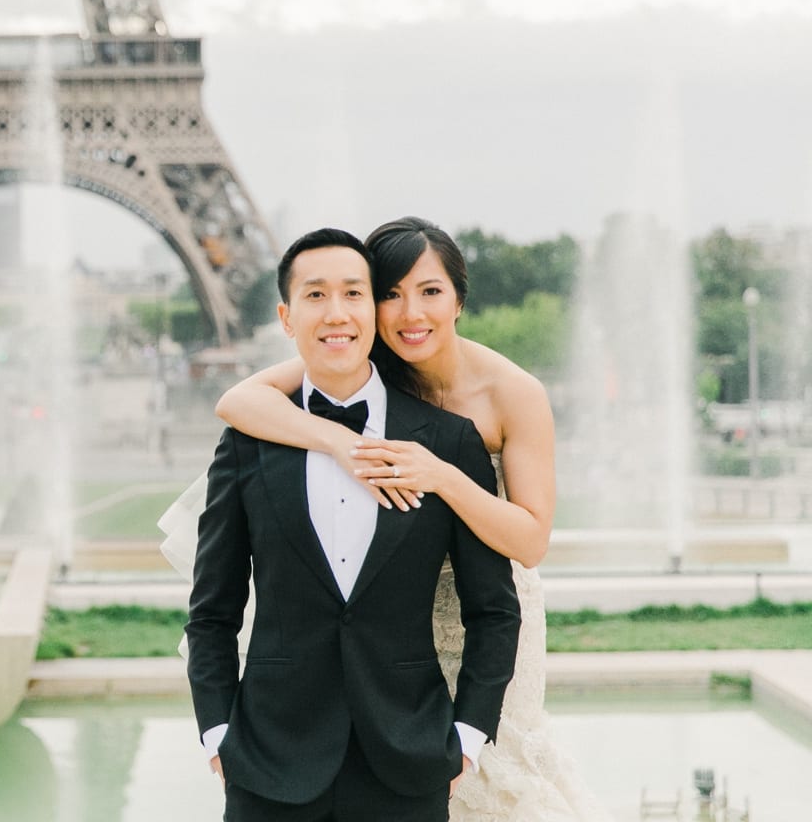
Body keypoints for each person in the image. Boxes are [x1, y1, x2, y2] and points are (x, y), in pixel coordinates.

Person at [165, 216, 612, 820]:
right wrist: (335, 441)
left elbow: (529, 542)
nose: (410, 314)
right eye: (390, 294)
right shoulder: (350, 349)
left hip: (462, 627)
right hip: (359, 654)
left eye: (429, 291)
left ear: (459, 298)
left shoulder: (509, 393)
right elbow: (237, 403)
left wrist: (444, 475)